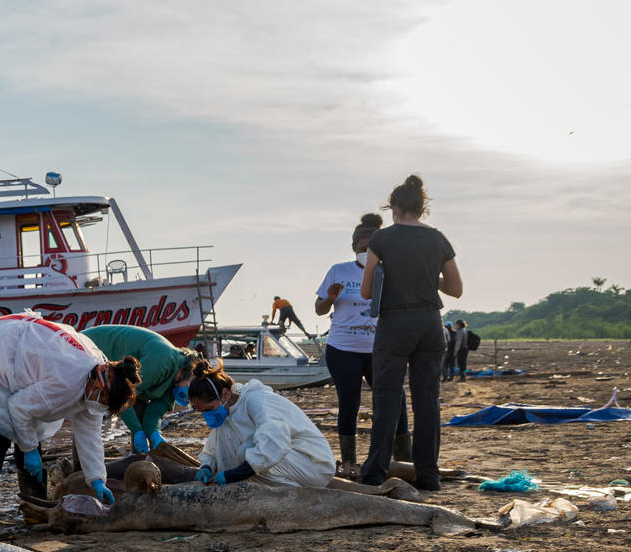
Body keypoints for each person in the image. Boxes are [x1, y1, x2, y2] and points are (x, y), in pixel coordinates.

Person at [0, 311, 139, 538]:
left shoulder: (96, 381)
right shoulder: (68, 381)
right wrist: (30, 449)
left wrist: (97, 479)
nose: (99, 405)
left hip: (18, 354)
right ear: (100, 387)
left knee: (28, 435)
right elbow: (19, 408)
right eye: (101, 400)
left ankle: (34, 510)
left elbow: (90, 436)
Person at [359, 175, 463, 489]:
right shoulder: (438, 238)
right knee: (427, 400)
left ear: (394, 208)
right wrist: (429, 279)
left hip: (395, 324)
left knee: (387, 399)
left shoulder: (382, 239)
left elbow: (366, 291)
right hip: (430, 322)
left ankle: (375, 472)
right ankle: (428, 475)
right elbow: (456, 289)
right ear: (421, 208)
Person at [313, 213, 410, 479]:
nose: (366, 252)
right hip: (343, 349)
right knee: (349, 402)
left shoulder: (389, 270)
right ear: (354, 247)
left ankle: (403, 457)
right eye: (361, 248)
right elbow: (320, 309)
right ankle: (349, 461)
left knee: (394, 400)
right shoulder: (339, 270)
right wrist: (330, 298)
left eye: (371, 248)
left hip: (380, 348)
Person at [185, 359, 335, 489]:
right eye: (202, 412)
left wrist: (233, 475)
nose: (207, 416)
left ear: (224, 394)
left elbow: (275, 444)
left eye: (209, 409)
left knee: (246, 451)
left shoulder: (256, 400)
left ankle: (291, 494)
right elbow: (213, 448)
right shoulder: (227, 413)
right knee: (238, 448)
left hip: (314, 465)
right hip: (292, 462)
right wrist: (206, 466)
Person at [82, 324, 199, 454]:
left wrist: (155, 433)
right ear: (190, 371)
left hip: (121, 377)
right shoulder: (161, 362)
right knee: (86, 416)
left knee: (139, 412)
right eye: (192, 385)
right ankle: (80, 468)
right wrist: (137, 430)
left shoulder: (175, 383)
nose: (188, 396)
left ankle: (140, 459)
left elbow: (153, 413)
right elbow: (123, 396)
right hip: (91, 348)